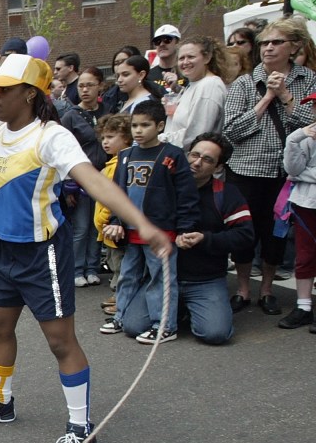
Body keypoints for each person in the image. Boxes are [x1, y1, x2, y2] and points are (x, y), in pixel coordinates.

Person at [0, 53, 172, 443]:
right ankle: (0, 401)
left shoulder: (51, 136)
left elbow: (94, 180)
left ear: (29, 93)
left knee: (61, 342)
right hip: (3, 250)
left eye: (3, 90)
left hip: (43, 254)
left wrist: (142, 224)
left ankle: (81, 430)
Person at [223, 16, 316, 316]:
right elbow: (232, 131)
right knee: (245, 232)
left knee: (275, 235)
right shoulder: (244, 83)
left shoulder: (309, 81)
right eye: (264, 43)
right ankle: (243, 290)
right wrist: (266, 98)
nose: (269, 48)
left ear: (295, 46)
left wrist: (287, 97)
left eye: (277, 42)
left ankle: (266, 290)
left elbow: (311, 127)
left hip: (287, 173)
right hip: (246, 170)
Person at [99, 101, 199, 343]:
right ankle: (120, 316)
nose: (139, 131)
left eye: (146, 125)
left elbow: (186, 195)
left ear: (160, 125)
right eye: (134, 125)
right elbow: (117, 193)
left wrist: (185, 228)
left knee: (161, 278)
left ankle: (164, 324)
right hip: (130, 231)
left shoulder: (172, 155)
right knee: (127, 275)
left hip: (160, 231)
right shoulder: (125, 155)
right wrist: (116, 219)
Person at [155, 133, 253, 344]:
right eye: (194, 155)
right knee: (134, 325)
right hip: (162, 277)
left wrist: (205, 239)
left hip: (204, 280)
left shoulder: (227, 194)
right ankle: (179, 309)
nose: (197, 163)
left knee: (215, 334)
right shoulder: (163, 187)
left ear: (218, 167)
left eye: (207, 159)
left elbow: (245, 236)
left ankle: (189, 309)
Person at [93, 113, 135, 316]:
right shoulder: (111, 164)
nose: (105, 142)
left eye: (110, 137)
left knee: (122, 265)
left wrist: (107, 218)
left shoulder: (123, 164)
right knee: (113, 262)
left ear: (126, 137)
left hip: (115, 226)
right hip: (105, 228)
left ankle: (122, 299)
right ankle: (118, 294)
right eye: (103, 138)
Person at [281, 109, 316, 333]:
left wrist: (304, 175)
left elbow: (298, 174)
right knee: (304, 255)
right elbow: (292, 169)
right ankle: (303, 307)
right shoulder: (305, 135)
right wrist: (295, 137)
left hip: (306, 193)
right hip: (305, 202)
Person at [163, 36, 233, 149]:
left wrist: (159, 140)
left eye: (191, 57)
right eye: (181, 58)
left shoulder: (210, 86)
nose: (185, 62)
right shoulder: (192, 85)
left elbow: (196, 135)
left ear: (207, 58)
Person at [149, 24, 186, 93]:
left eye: (167, 40)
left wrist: (178, 88)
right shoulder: (149, 75)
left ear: (177, 42)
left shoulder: (186, 71)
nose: (161, 44)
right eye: (157, 41)